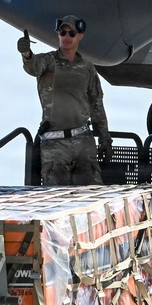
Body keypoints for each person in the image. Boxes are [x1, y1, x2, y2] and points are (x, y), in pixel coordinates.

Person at [18, 16, 112, 185]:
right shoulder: (48, 61)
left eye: (71, 33)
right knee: (56, 198)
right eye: (63, 32)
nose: (67, 37)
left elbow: (96, 104)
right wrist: (27, 53)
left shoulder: (87, 68)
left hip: (83, 140)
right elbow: (33, 66)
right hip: (55, 144)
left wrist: (104, 138)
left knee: (91, 196)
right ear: (58, 34)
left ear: (80, 36)